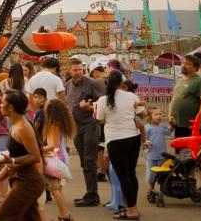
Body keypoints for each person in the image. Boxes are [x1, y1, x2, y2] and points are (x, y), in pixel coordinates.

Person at [95, 70, 146, 220]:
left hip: (115, 140)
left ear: (107, 82)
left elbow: (100, 119)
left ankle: (131, 210)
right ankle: (131, 206)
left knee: (123, 176)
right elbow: (142, 114)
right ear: (121, 83)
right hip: (133, 138)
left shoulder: (103, 100)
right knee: (131, 174)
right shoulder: (131, 96)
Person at [0, 90, 44, 221]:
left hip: (29, 182)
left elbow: (35, 156)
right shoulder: (13, 125)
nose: (0, 105)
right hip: (21, 180)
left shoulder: (23, 127)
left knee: (2, 217)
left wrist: (12, 161)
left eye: (3, 103)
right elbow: (12, 158)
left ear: (10, 107)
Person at [64, 57, 105, 207]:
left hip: (90, 125)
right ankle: (90, 193)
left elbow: (102, 104)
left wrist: (89, 107)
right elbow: (67, 104)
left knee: (89, 160)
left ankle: (92, 195)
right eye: (75, 70)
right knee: (84, 162)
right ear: (70, 71)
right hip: (76, 128)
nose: (78, 72)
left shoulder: (92, 84)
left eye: (80, 69)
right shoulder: (68, 85)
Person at [169, 54, 201, 190]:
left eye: (188, 64)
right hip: (180, 125)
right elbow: (173, 99)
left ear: (195, 67)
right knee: (184, 156)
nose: (184, 65)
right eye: (183, 63)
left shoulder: (200, 82)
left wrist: (199, 119)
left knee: (197, 157)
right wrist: (170, 114)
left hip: (193, 127)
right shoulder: (179, 81)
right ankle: (188, 184)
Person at [41, 99, 76, 221]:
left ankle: (65, 216)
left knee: (54, 188)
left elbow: (53, 145)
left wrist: (39, 149)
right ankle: (63, 215)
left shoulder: (53, 125)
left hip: (56, 158)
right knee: (57, 188)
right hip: (60, 157)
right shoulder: (59, 124)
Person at [143, 107, 172, 191]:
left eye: (160, 114)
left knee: (163, 173)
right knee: (151, 174)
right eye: (155, 114)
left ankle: (163, 188)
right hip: (151, 156)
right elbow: (144, 139)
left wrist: (172, 124)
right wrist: (147, 143)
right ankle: (151, 188)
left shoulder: (162, 126)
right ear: (150, 117)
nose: (159, 116)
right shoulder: (147, 127)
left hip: (162, 155)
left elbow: (168, 132)